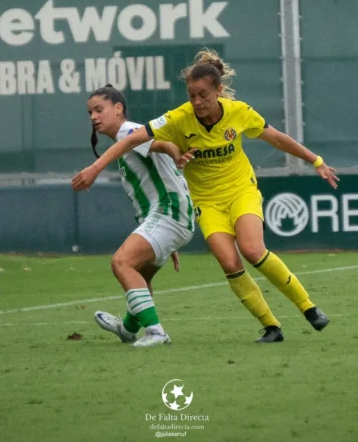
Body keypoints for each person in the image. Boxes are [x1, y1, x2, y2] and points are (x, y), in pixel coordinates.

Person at [73, 49, 339, 343]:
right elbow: (143, 140)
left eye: (203, 95)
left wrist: (316, 161)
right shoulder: (180, 117)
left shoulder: (239, 112)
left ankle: (308, 307)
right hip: (206, 202)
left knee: (252, 250)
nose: (197, 102)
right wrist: (103, 167)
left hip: (240, 191)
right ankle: (271, 327)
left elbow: (277, 138)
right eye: (191, 95)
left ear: (218, 91)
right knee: (229, 263)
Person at [84, 85, 194, 348]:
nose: (93, 117)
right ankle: (128, 329)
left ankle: (156, 332)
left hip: (170, 211)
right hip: (169, 216)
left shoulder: (128, 131)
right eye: (90, 112)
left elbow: (162, 144)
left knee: (121, 263)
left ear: (118, 109)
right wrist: (167, 240)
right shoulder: (124, 142)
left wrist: (174, 150)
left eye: (99, 109)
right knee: (140, 277)